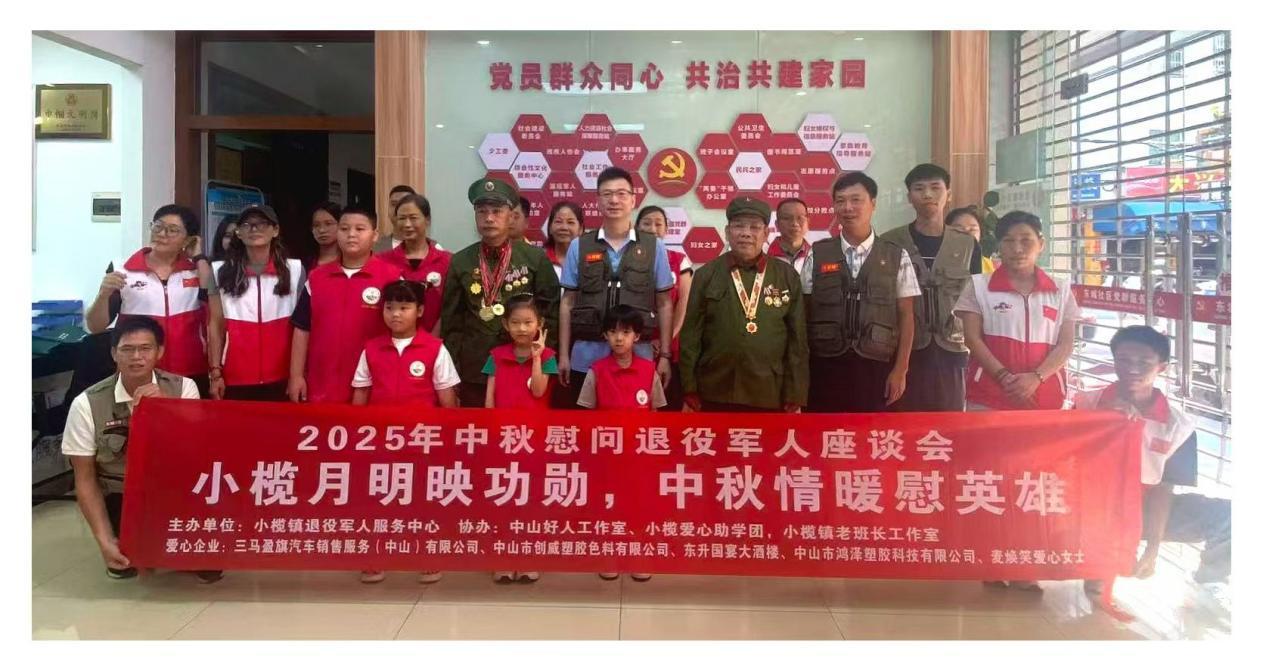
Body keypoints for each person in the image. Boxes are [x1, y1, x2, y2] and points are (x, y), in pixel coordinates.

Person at [59, 317, 218, 582]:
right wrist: (104, 541)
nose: (136, 357)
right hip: (122, 494)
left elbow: (197, 452)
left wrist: (167, 410)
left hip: (176, 492)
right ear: (114, 353)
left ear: (159, 352)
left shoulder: (183, 388)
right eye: (127, 349)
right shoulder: (87, 403)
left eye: (145, 348)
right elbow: (84, 479)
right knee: (127, 560)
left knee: (209, 558)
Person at [1073, 326, 1230, 592]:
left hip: (1141, 509)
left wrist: (1153, 547)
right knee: (1097, 584)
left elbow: (1163, 490)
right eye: (1124, 360)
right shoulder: (1086, 404)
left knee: (1231, 517)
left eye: (1144, 362)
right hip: (1088, 507)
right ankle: (1096, 561)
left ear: (1162, 367)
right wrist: (1099, 420)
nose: (1132, 369)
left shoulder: (1178, 426)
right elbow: (1063, 461)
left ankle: (1209, 583)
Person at [351, 279, 459, 585]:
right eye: (389, 308)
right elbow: (361, 393)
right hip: (380, 441)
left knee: (422, 500)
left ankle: (426, 554)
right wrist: (356, 436)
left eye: (404, 307)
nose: (396, 314)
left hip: (423, 441)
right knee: (377, 498)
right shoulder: (371, 348)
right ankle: (375, 556)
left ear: (420, 311)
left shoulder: (435, 349)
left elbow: (447, 399)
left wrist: (447, 440)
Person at [801, 173, 920, 413]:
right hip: (825, 365)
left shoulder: (896, 255)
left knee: (873, 431)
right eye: (840, 201)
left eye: (856, 200)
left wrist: (901, 370)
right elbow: (804, 311)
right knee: (825, 431)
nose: (847, 207)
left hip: (878, 365)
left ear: (873, 204)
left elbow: (906, 315)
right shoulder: (818, 253)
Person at [558, 167, 675, 410]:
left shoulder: (654, 247)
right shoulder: (579, 246)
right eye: (607, 194)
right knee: (586, 428)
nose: (614, 200)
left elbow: (664, 303)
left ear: (633, 200)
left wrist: (665, 356)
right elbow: (567, 302)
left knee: (634, 426)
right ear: (598, 201)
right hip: (586, 357)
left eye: (621, 194)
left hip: (638, 357)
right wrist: (564, 355)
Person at [680, 196, 808, 413]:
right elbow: (691, 336)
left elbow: (798, 341)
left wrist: (795, 394)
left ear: (766, 234)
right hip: (714, 388)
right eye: (738, 226)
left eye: (754, 227)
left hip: (769, 390)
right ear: (727, 232)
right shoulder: (706, 275)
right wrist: (689, 389)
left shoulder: (786, 276)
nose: (746, 233)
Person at [441, 178, 560, 408]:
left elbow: (550, 314)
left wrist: (544, 358)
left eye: (496, 211)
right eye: (482, 211)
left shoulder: (534, 258)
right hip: (475, 366)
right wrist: (454, 368)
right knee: (477, 427)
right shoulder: (461, 261)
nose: (489, 218)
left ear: (511, 216)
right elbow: (452, 321)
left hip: (524, 365)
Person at [879, 164, 982, 412]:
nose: (927, 194)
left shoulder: (968, 245)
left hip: (952, 350)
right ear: (909, 197)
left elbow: (977, 302)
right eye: (919, 189)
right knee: (902, 424)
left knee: (948, 424)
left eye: (935, 188)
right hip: (903, 351)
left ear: (949, 194)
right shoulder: (889, 242)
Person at [953, 210, 1079, 411]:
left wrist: (1036, 378)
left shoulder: (1060, 290)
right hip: (989, 395)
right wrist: (1003, 377)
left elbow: (1066, 344)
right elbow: (972, 339)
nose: (1017, 248)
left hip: (1045, 395)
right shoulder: (978, 286)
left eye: (1026, 240)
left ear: (1041, 244)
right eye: (1008, 241)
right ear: (999, 246)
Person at [85, 204, 211, 394]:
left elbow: (213, 314)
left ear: (188, 239)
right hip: (139, 371)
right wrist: (103, 295)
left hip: (190, 370)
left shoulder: (196, 271)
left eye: (172, 230)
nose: (162, 234)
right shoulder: (122, 269)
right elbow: (95, 326)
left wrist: (199, 256)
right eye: (158, 226)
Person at [287, 207, 403, 405]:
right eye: (344, 228)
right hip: (322, 384)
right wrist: (296, 376)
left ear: (375, 235)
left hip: (373, 384)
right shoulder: (317, 278)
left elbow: (404, 332)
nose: (351, 234)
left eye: (360, 229)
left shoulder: (391, 278)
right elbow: (302, 328)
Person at [480, 294, 557, 583]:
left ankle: (528, 557)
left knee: (531, 499)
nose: (522, 329)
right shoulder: (496, 355)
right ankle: (503, 557)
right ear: (505, 325)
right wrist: (491, 433)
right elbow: (489, 399)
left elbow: (538, 391)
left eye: (528, 322)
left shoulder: (548, 357)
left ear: (540, 324)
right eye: (515, 323)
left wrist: (537, 356)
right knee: (503, 498)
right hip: (503, 438)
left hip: (534, 439)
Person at [206, 205, 304, 401]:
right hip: (236, 377)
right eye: (247, 225)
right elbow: (215, 325)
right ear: (238, 233)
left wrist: (297, 375)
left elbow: (301, 328)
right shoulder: (219, 271)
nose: (254, 229)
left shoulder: (295, 270)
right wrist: (215, 373)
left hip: (283, 376)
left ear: (275, 230)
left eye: (262, 224)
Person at [635, 205, 693, 410]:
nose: (653, 228)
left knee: (668, 408)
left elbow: (683, 306)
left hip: (670, 349)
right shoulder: (626, 261)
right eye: (646, 223)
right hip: (634, 347)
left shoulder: (679, 261)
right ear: (637, 228)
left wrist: (664, 341)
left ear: (667, 229)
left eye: (658, 224)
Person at [381, 194, 452, 335]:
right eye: (402, 218)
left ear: (427, 220)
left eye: (413, 218)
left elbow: (450, 308)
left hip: (436, 341)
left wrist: (432, 341)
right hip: (393, 341)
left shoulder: (448, 261)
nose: (407, 224)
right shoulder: (382, 261)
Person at [768, 198, 812, 274]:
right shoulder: (764, 256)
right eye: (787, 218)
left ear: (808, 222)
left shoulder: (816, 256)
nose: (795, 223)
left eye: (800, 218)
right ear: (777, 224)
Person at [947, 206, 996, 274]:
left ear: (980, 234)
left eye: (972, 229)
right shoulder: (940, 261)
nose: (967, 234)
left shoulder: (990, 266)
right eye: (959, 229)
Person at [545, 201, 583, 280]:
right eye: (558, 222)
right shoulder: (539, 259)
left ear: (580, 229)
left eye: (570, 222)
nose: (564, 227)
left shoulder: (588, 260)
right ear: (550, 228)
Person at [308, 202, 343, 270]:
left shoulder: (351, 261)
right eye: (316, 225)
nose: (322, 230)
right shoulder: (305, 263)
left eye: (328, 224)